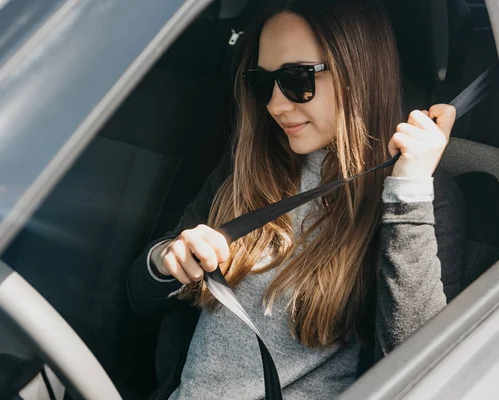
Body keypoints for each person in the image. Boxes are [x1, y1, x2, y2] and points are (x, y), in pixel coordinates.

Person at [127, 0, 466, 398]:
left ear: (359, 71)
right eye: (262, 82)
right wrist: (169, 260)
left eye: (297, 79)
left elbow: (420, 373)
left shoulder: (418, 196)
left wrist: (408, 192)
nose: (274, 104)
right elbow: (140, 295)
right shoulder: (249, 167)